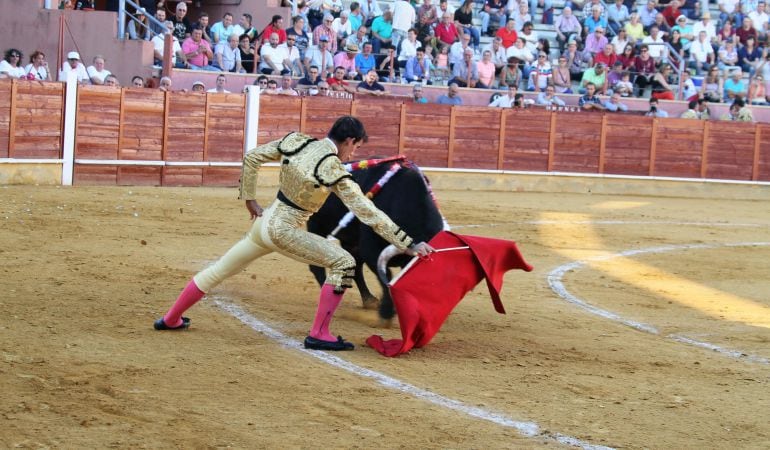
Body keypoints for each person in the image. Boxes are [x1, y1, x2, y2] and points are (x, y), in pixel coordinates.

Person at [153, 116, 436, 352]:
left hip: (263, 224)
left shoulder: (297, 141)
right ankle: (319, 333)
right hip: (283, 231)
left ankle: (171, 318)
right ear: (349, 141)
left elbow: (252, 157)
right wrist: (409, 243)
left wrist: (249, 199)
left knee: (217, 271)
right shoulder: (332, 168)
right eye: (356, 147)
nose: (354, 154)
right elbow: (368, 212)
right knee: (344, 262)